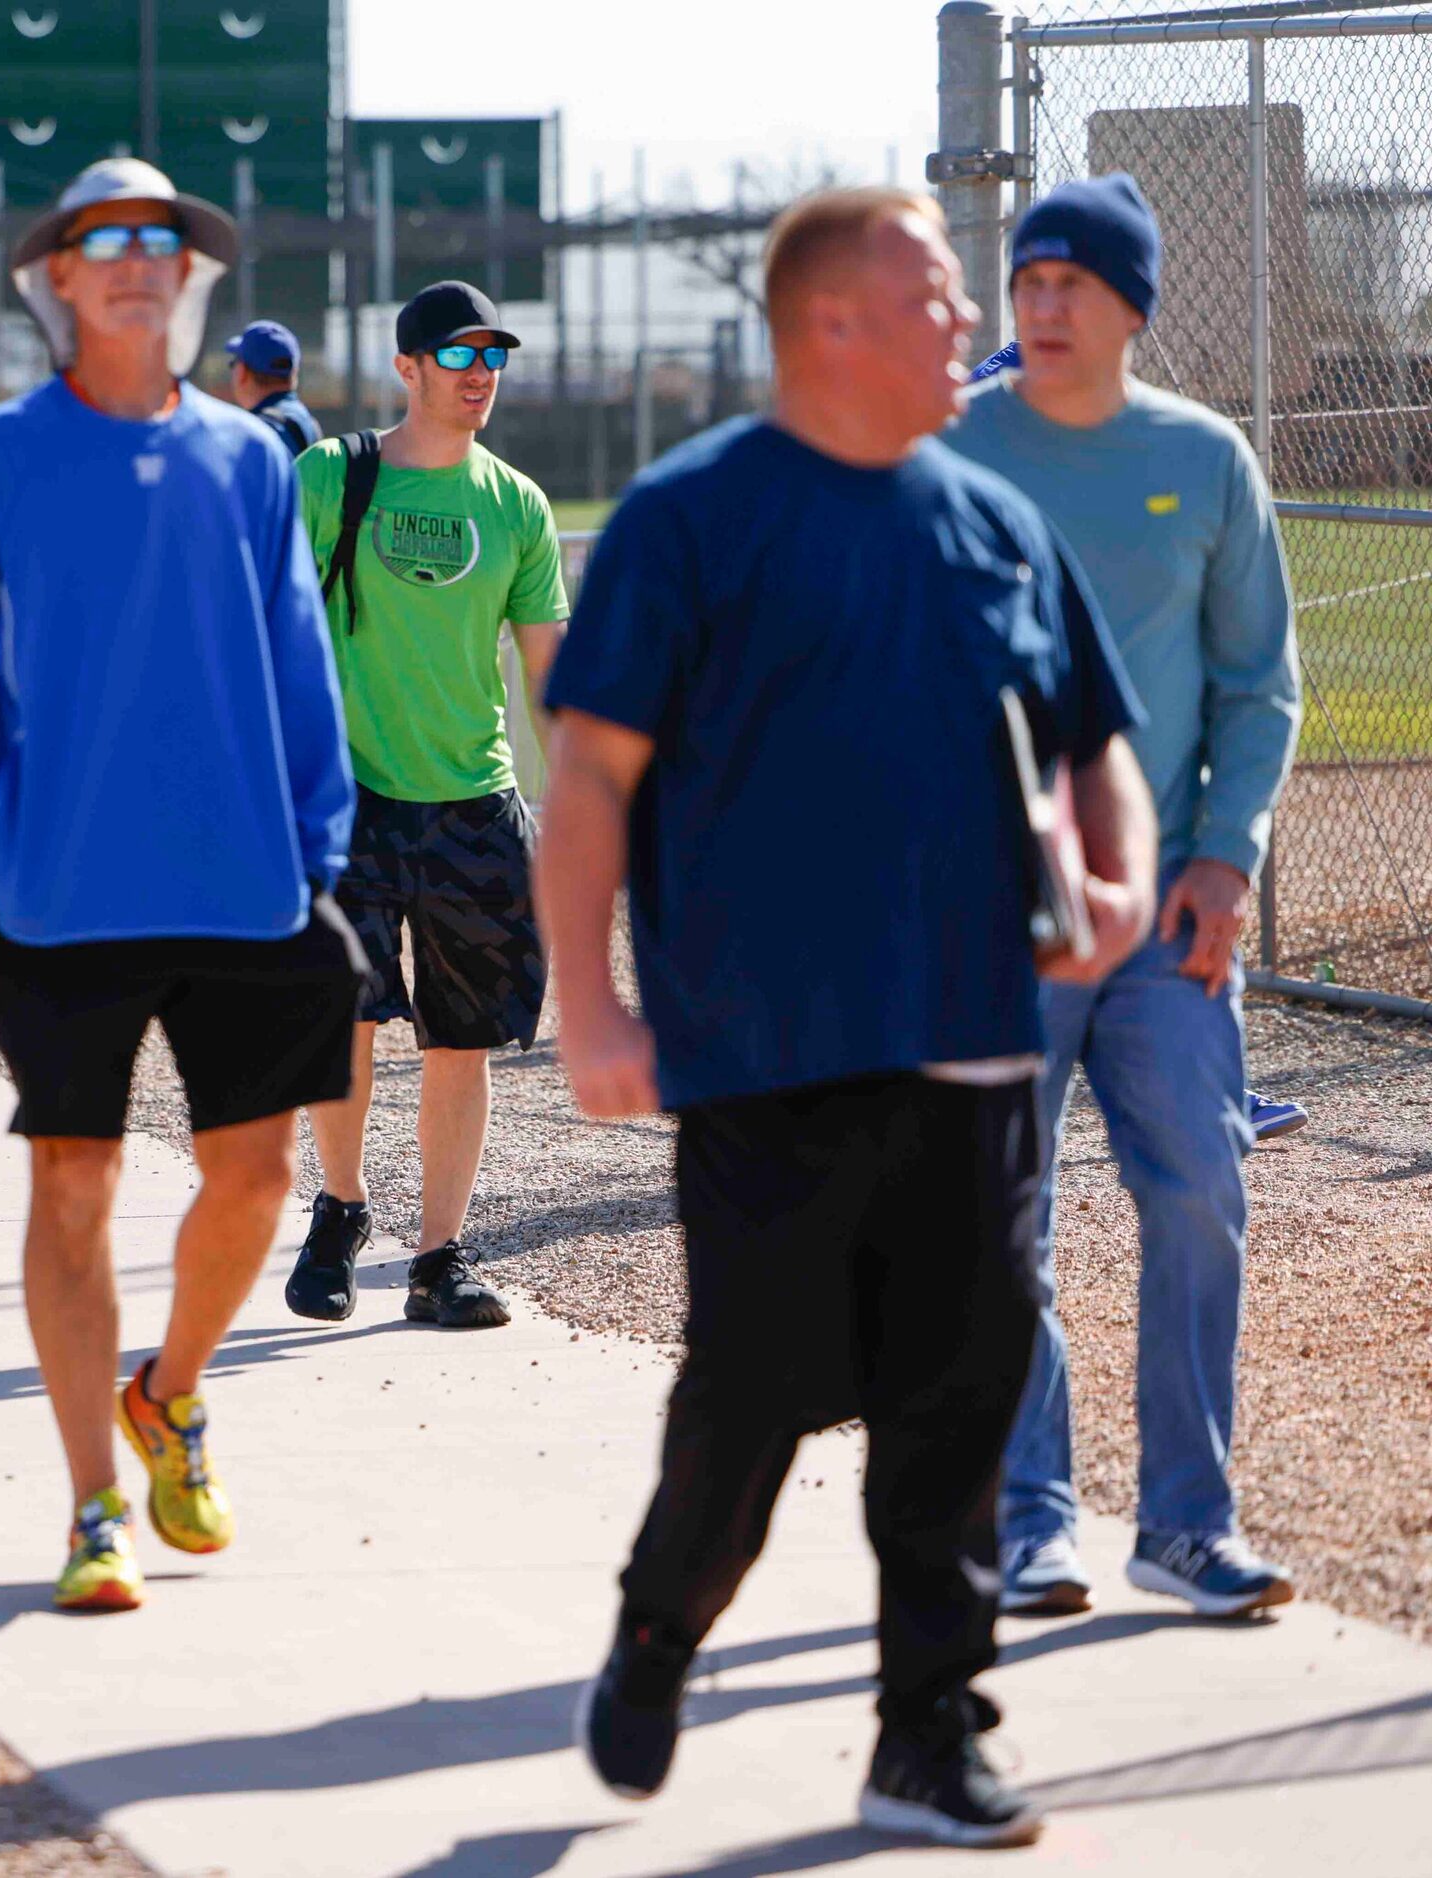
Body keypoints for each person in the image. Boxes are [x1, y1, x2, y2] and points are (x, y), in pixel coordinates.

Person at [539, 188, 1155, 1848]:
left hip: (976, 1047)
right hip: (767, 1054)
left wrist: (1117, 872)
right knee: (747, 1399)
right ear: (830, 323)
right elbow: (591, 775)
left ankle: (928, 1731)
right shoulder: (695, 518)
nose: (972, 319)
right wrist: (587, 1002)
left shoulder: (995, 519)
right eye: (941, 292)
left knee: (958, 1407)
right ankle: (661, 1626)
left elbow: (1098, 741)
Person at [0, 158, 359, 1615]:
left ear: (188, 276)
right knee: (74, 1177)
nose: (140, 258)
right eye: (109, 240)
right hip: (58, 890)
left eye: (164, 239)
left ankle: (173, 1389)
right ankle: (95, 1500)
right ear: (61, 276)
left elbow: (301, 664)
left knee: (261, 1174)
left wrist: (325, 846)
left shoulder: (248, 458)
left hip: (248, 886)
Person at [945, 175, 1302, 1621]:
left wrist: (1227, 858)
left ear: (1133, 306)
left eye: (1071, 282)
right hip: (997, 911)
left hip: (1163, 914)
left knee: (1205, 1188)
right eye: (1026, 279)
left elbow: (1257, 683)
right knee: (999, 1218)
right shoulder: (954, 447)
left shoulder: (1205, 459)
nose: (1039, 302)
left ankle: (1186, 1522)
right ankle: (1032, 1517)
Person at [289, 283, 565, 1330]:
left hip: (471, 802)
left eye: (490, 353)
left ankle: (438, 1259)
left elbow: (549, 673)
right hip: (346, 796)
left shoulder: (514, 504)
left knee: (461, 1040)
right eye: (455, 355)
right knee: (342, 1018)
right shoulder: (329, 475)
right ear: (405, 368)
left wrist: (582, 806)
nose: (478, 371)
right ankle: (339, 1206)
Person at [224, 319, 320, 456]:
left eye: (233, 363)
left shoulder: (255, 434)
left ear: (242, 372)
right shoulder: (309, 423)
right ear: (294, 373)